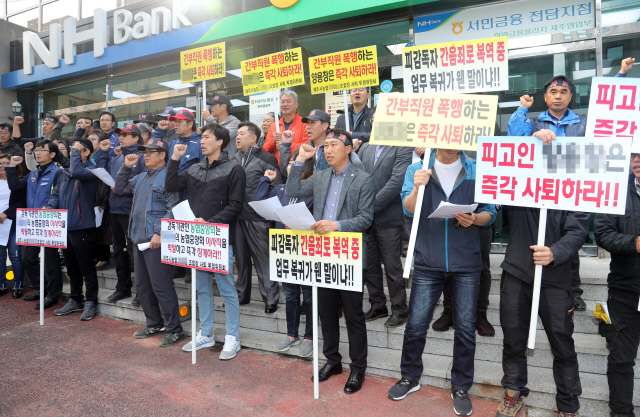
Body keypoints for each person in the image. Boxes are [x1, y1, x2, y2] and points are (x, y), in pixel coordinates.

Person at [388, 149, 496, 416]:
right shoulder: (417, 169)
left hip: (467, 263)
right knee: (415, 325)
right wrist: (416, 188)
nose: (450, 143)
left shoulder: (476, 169)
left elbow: (490, 212)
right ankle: (409, 377)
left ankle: (461, 386)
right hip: (427, 261)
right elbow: (408, 209)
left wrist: (475, 219)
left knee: (465, 329)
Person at [495, 138, 588, 417]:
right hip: (516, 273)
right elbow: (495, 183)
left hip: (557, 280)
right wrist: (527, 138)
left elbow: (578, 230)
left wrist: (555, 252)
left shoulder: (577, 187)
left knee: (562, 344)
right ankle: (513, 393)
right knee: (513, 340)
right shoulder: (517, 180)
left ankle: (568, 406)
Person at [286, 127, 374, 394]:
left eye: (334, 145)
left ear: (348, 149)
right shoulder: (321, 176)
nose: (329, 149)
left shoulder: (363, 179)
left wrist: (335, 225)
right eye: (327, 146)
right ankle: (332, 361)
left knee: (353, 315)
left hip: (348, 254)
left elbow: (366, 218)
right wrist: (301, 159)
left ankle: (358, 369)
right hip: (322, 255)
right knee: (326, 313)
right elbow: (292, 189)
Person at [508, 75, 589, 312]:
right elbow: (515, 141)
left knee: (570, 240)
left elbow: (612, 117)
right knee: (540, 240)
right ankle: (535, 283)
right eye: (553, 92)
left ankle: (574, 292)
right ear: (545, 97)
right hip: (539, 191)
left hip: (573, 191)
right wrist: (523, 112)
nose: (558, 96)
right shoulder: (535, 123)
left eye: (563, 92)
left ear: (570, 97)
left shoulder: (584, 123)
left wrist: (621, 77)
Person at [166, 123, 246, 359]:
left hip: (219, 238)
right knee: (201, 288)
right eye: (201, 138)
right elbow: (171, 185)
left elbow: (236, 206)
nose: (201, 141)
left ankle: (233, 338)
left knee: (227, 289)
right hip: (197, 238)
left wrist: (209, 222)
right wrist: (174, 159)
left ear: (220, 141)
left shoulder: (234, 169)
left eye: (207, 137)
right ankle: (206, 333)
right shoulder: (195, 168)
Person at [114, 139, 185, 347]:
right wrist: (125, 168)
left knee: (161, 286)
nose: (145, 155)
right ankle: (154, 323)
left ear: (162, 155)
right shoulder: (143, 175)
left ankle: (174, 328)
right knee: (143, 286)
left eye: (150, 152)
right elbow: (119, 189)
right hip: (138, 238)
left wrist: (159, 232)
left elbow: (173, 208)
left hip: (156, 240)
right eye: (144, 152)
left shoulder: (168, 177)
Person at [594, 152, 640, 417]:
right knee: (621, 359)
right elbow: (602, 232)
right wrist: (633, 244)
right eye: (633, 154)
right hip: (625, 290)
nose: (637, 160)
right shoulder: (614, 189)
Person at [256, 149, 314, 357]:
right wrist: (265, 180)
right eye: (289, 163)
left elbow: (316, 220)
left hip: (305, 249)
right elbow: (260, 202)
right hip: (284, 248)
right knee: (290, 294)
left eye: (296, 164)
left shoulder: (312, 191)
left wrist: (299, 225)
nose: (290, 167)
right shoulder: (281, 189)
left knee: (308, 295)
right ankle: (292, 335)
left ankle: (309, 337)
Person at [357, 133, 412, 327]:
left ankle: (400, 309)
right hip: (366, 219)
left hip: (388, 216)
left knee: (392, 267)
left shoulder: (402, 145)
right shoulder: (364, 147)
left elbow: (397, 182)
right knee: (370, 265)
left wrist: (369, 207)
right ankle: (377, 305)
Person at [6, 141, 65, 309]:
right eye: (36, 150)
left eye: (42, 150)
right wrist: (11, 166)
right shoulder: (33, 173)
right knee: (27, 257)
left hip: (49, 222)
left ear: (52, 154)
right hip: (32, 222)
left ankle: (53, 294)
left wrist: (50, 207)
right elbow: (14, 185)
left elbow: (57, 194)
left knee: (51, 261)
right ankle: (42, 288)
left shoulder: (58, 173)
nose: (38, 153)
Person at [48, 138, 101, 321]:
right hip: (66, 226)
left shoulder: (92, 170)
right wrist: (49, 207)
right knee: (71, 266)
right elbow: (56, 194)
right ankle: (76, 299)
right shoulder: (64, 173)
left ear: (87, 152)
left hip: (83, 225)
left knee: (86, 267)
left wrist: (76, 151)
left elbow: (78, 171)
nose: (73, 152)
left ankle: (91, 301)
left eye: (78, 150)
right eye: (73, 149)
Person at [233, 121, 282, 312]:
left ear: (253, 138)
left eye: (242, 134)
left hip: (258, 217)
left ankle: (270, 299)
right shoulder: (234, 158)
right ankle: (241, 295)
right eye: (237, 134)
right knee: (241, 260)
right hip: (237, 216)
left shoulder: (266, 158)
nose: (237, 137)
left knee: (263, 260)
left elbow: (276, 187)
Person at [100, 123, 146, 305]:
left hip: (132, 211)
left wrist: (121, 188)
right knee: (119, 252)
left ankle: (141, 292)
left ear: (136, 138)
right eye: (120, 134)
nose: (121, 137)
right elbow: (103, 173)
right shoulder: (118, 158)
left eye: (127, 135)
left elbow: (143, 182)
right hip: (115, 210)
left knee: (136, 253)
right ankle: (123, 288)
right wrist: (104, 153)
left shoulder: (142, 156)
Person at [279, 109, 364, 176]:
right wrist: (285, 144)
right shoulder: (304, 149)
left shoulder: (338, 149)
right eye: (307, 124)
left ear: (325, 126)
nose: (308, 127)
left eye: (313, 123)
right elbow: (286, 172)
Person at [0, 154, 26, 298]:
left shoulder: (19, 182)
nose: (2, 165)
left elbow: (22, 203)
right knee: (0, 257)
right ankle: (1, 285)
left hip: (14, 224)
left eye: (6, 163)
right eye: (0, 163)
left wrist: (6, 213)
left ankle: (18, 285)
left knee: (15, 256)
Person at [262, 90, 309, 164]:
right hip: (277, 168)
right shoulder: (274, 125)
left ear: (296, 104)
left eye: (288, 101)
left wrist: (285, 146)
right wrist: (273, 141)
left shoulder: (304, 123)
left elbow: (308, 146)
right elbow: (265, 150)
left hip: (297, 165)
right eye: (282, 102)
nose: (285, 104)